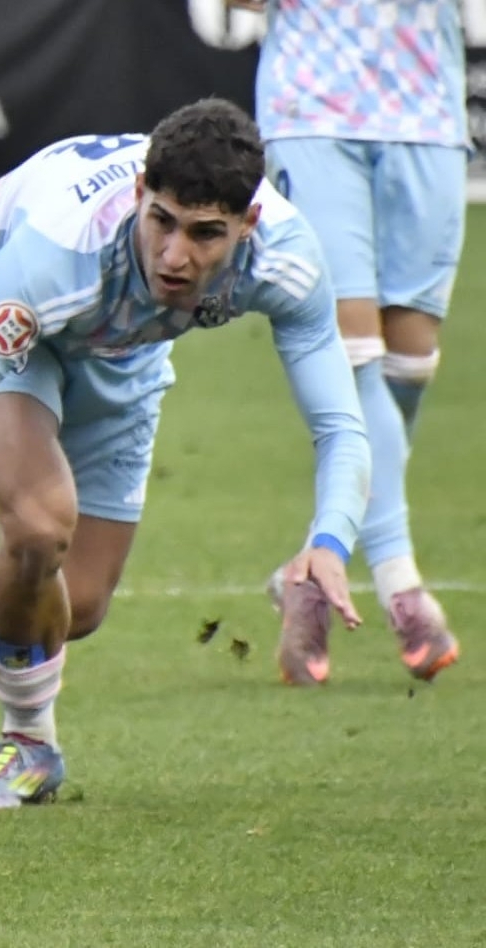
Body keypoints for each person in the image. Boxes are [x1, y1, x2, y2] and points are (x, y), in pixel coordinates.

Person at [0, 98, 371, 809]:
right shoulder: (60, 252)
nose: (177, 255)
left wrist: (330, 539)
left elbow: (340, 426)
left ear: (249, 224)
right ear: (140, 194)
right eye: (163, 222)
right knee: (40, 523)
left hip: (124, 341)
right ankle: (29, 744)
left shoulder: (289, 262)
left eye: (206, 234)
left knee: (72, 603)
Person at [236, 0, 467, 684]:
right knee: (354, 357)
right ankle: (404, 590)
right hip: (314, 107)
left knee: (410, 360)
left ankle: (312, 563)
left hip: (426, 111)